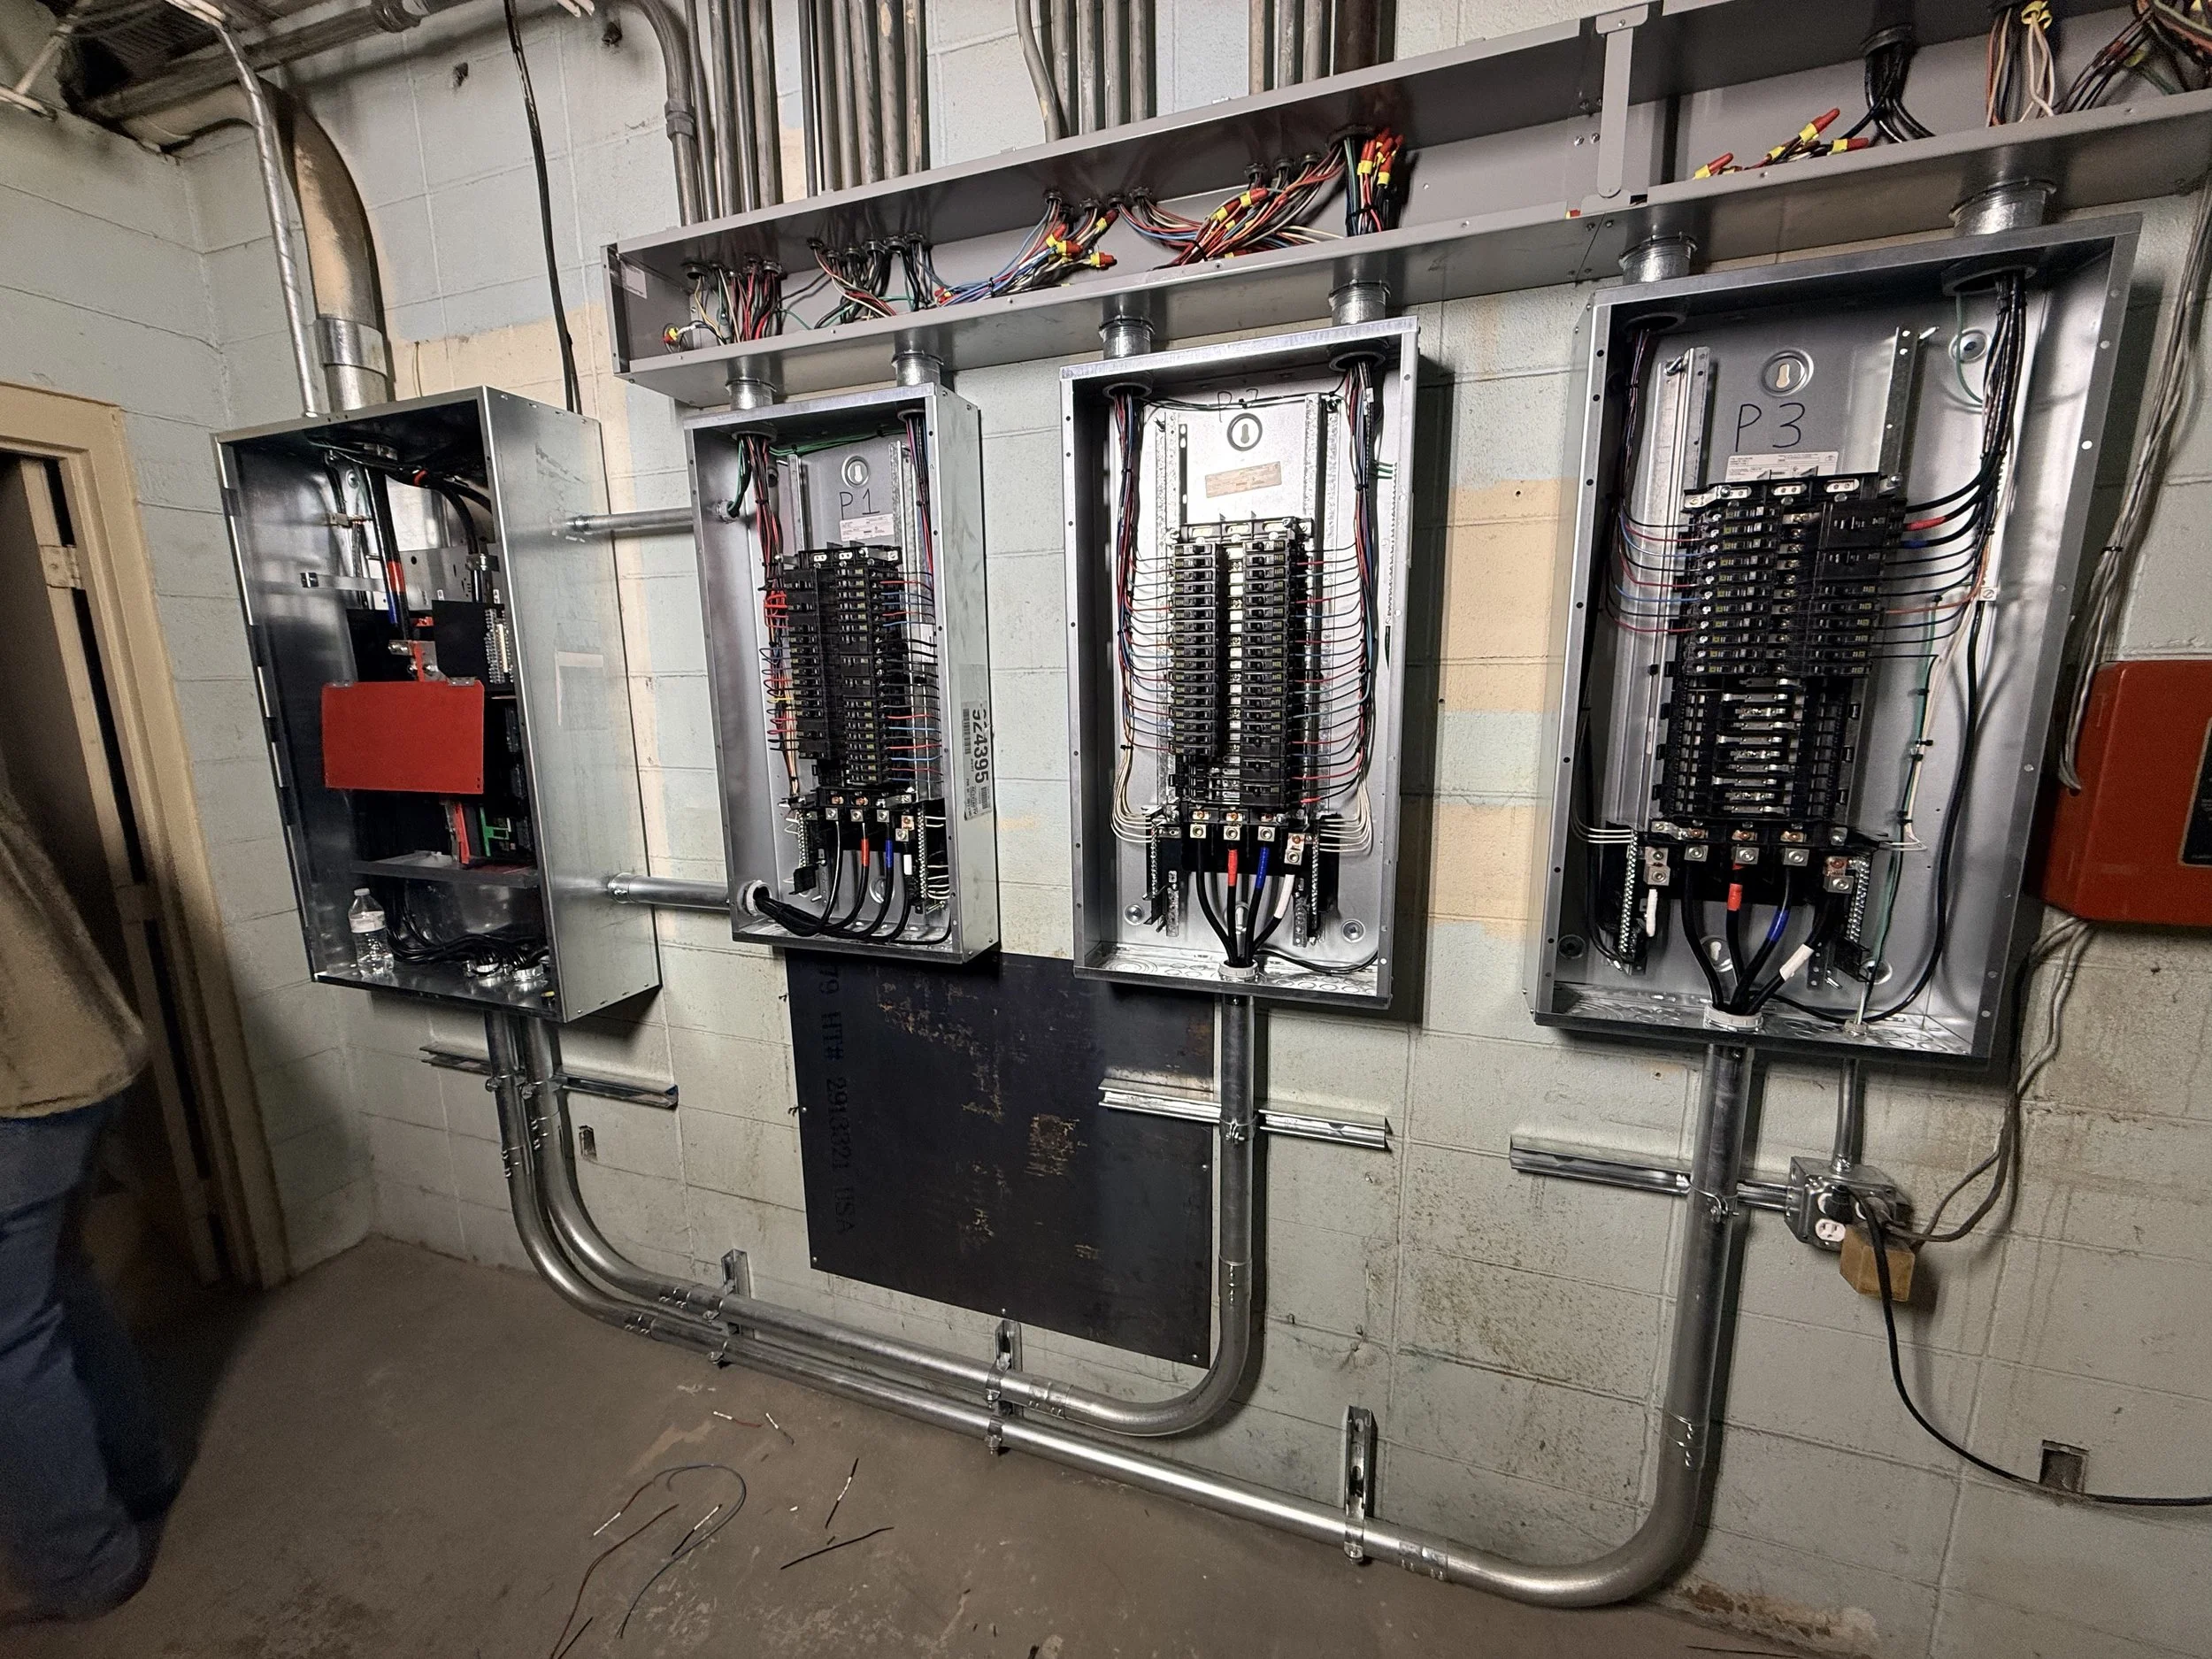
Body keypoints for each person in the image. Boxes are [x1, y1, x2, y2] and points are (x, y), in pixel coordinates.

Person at [0, 781, 176, 1620]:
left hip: (17, 1090)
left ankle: (82, 1563)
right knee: (59, 1289)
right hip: (77, 1048)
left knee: (10, 1339)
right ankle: (140, 1479)